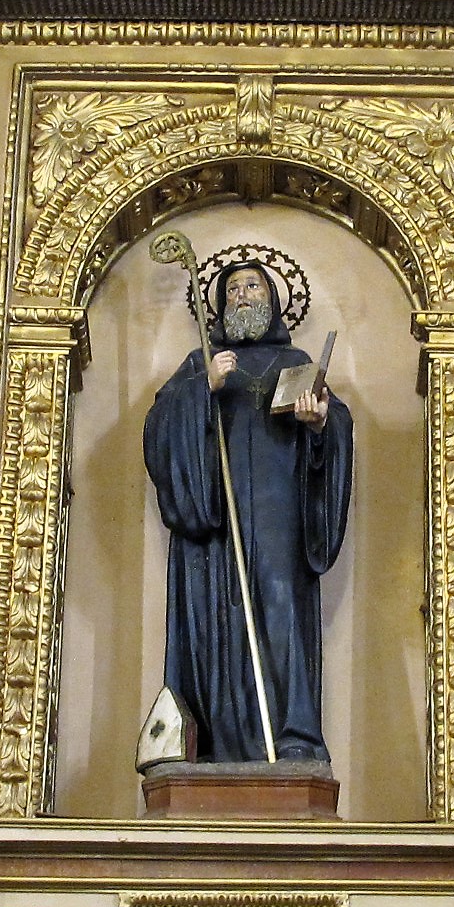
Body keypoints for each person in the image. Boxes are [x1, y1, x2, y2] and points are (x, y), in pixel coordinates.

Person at [143, 260, 353, 762]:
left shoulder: (296, 363)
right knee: (218, 620)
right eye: (233, 288)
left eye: (253, 286)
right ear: (219, 306)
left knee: (282, 610)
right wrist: (203, 388)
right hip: (217, 525)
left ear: (272, 301)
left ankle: (295, 736)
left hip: (279, 521)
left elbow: (336, 429)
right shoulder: (201, 362)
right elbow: (159, 428)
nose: (241, 295)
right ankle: (217, 745)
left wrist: (319, 424)